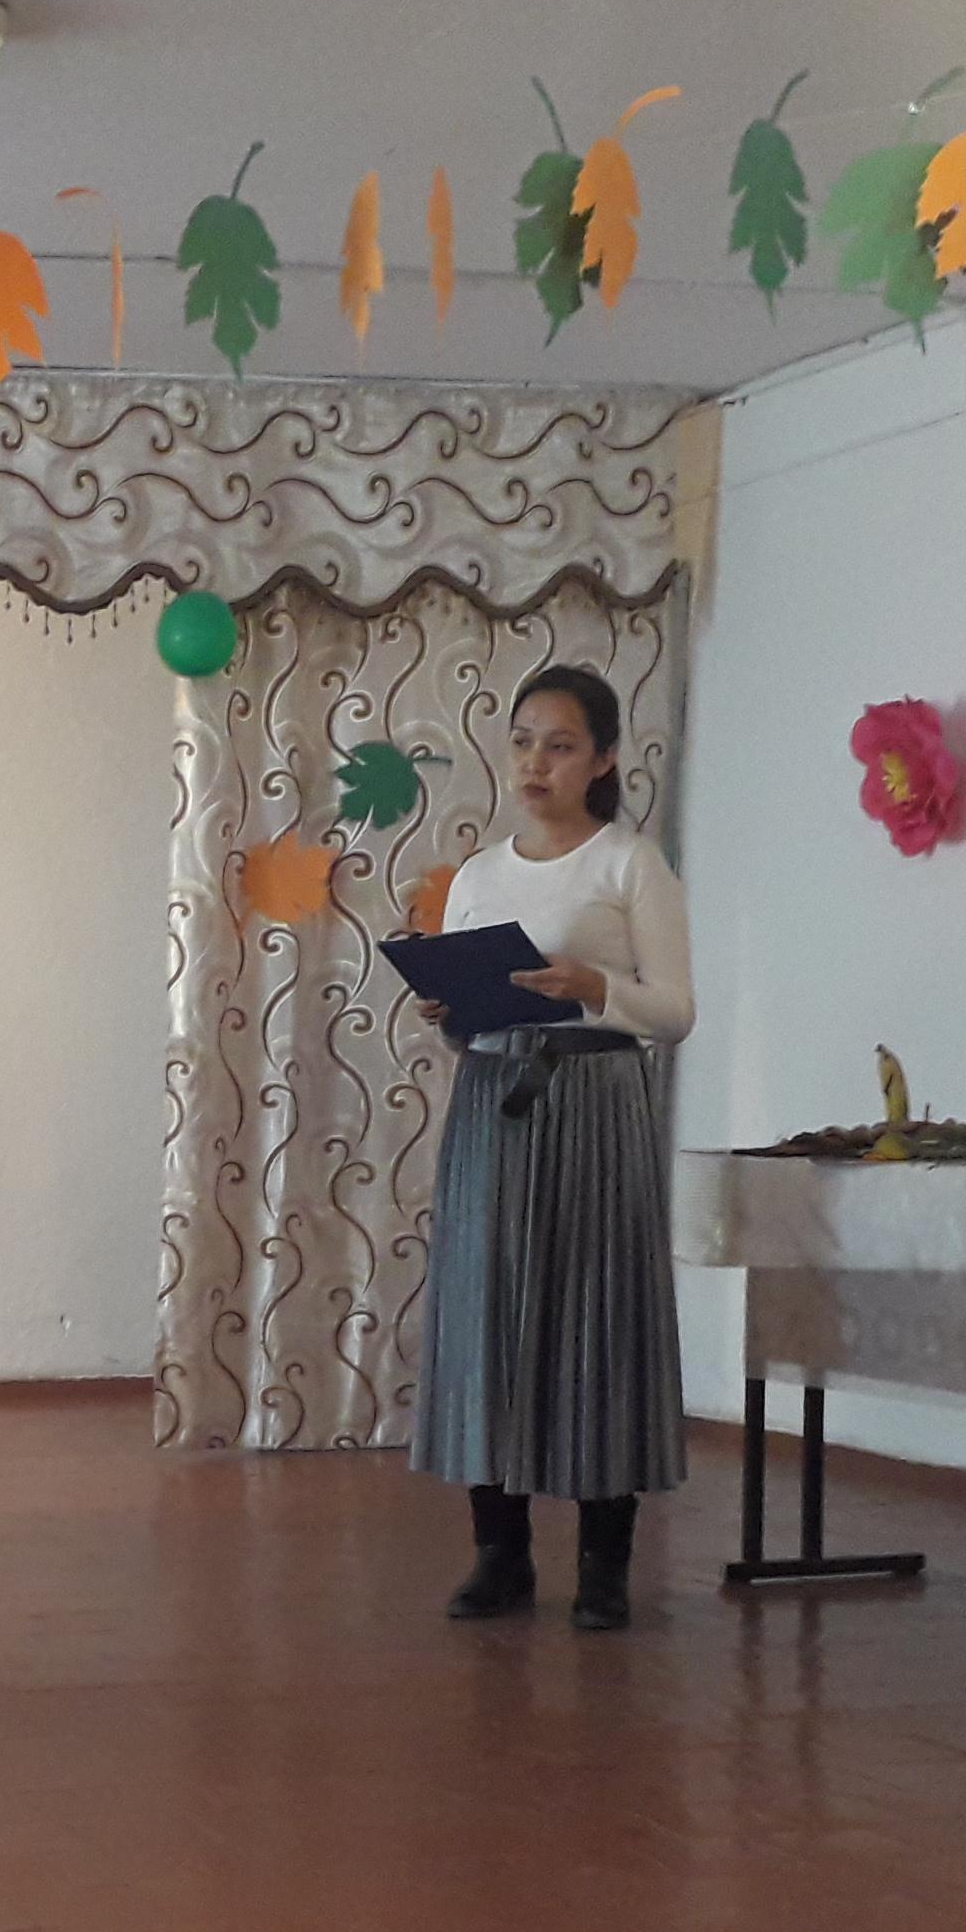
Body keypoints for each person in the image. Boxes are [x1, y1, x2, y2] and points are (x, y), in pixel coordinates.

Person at [408, 663, 692, 1631]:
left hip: (596, 1100)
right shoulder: (478, 876)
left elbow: (676, 1011)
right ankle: (501, 1551)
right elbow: (467, 1022)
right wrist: (452, 1012)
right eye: (524, 741)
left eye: (561, 746)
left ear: (603, 759)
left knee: (596, 1313)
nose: (536, 762)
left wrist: (592, 988)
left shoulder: (630, 864)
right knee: (485, 1310)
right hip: (493, 1099)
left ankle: (605, 1564)